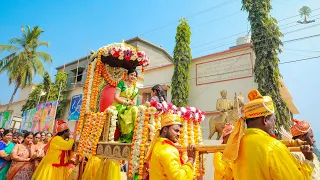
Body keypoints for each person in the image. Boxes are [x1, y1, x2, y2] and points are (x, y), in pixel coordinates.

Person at [223, 89, 314, 180]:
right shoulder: (273, 147)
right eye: (274, 120)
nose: (275, 125)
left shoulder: (236, 146)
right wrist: (308, 160)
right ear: (265, 119)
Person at [146, 113, 195, 180]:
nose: (179, 134)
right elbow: (178, 178)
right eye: (176, 131)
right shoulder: (168, 150)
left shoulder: (157, 145)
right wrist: (190, 160)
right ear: (165, 130)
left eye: (180, 132)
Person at [113, 69, 139, 143]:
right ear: (127, 75)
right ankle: (126, 136)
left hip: (130, 106)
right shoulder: (121, 84)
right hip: (120, 105)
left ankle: (134, 135)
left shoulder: (135, 89)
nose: (133, 77)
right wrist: (126, 103)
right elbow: (116, 97)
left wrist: (133, 103)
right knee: (132, 111)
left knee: (136, 110)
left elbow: (134, 101)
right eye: (131, 75)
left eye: (135, 75)